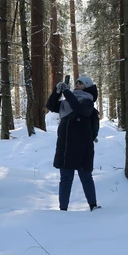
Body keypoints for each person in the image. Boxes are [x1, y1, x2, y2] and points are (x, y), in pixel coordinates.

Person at [46, 74, 101, 211]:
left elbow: (78, 108)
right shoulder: (66, 103)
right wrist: (57, 91)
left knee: (86, 177)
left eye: (81, 83)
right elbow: (51, 105)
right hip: (65, 148)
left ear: (87, 87)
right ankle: (62, 209)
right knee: (65, 179)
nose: (77, 84)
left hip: (83, 148)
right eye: (76, 82)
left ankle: (93, 206)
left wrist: (66, 91)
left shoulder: (88, 103)